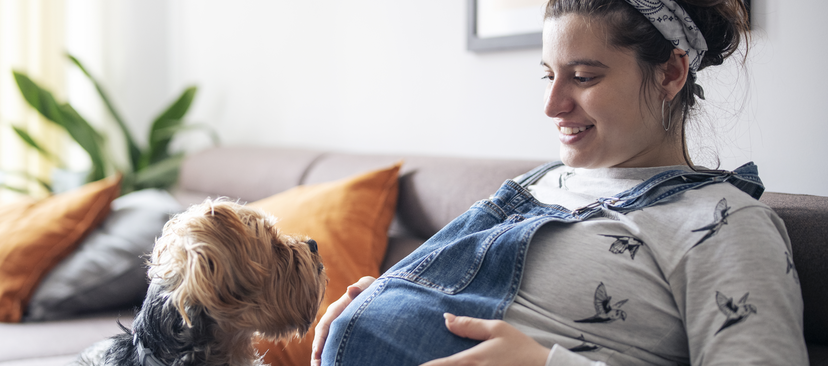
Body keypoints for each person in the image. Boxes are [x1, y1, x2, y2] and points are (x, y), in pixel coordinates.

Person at [311, 0, 807, 365]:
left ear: (670, 73)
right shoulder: (537, 184)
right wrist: (387, 293)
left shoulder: (723, 221)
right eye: (548, 75)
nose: (552, 106)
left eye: (584, 77)